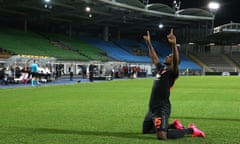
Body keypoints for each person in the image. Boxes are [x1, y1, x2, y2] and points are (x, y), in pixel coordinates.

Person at [142, 29, 205, 140]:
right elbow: (154, 57)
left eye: (170, 56)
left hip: (161, 108)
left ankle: (191, 130)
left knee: (162, 136)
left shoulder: (173, 72)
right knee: (146, 130)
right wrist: (149, 43)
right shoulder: (162, 69)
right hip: (152, 108)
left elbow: (176, 60)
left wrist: (174, 45)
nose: (167, 56)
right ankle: (173, 125)